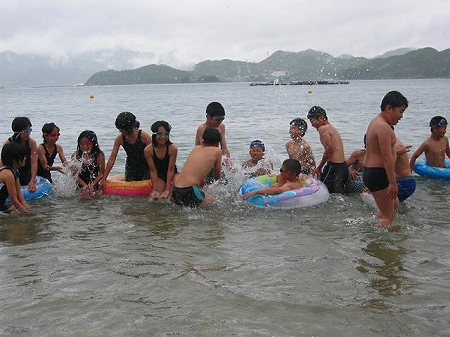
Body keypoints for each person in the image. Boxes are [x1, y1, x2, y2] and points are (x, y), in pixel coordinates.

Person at [363, 90, 408, 227]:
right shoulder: (383, 127)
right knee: (389, 217)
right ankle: (378, 243)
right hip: (378, 173)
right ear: (389, 108)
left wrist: (398, 151)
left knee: (393, 205)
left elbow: (381, 150)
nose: (401, 116)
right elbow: (386, 157)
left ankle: (369, 226)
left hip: (372, 172)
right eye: (400, 111)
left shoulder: (376, 122)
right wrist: (393, 183)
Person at [172, 127, 223, 207]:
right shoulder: (217, 151)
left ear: (203, 140)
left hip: (175, 191)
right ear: (218, 143)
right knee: (215, 205)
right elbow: (217, 176)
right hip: (189, 190)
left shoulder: (196, 148)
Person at [101, 112, 152, 187]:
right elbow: (112, 159)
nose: (121, 131)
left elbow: (153, 155)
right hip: (131, 167)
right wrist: (104, 178)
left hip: (146, 166)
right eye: (120, 129)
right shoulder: (120, 139)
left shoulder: (144, 136)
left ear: (131, 127)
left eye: (123, 129)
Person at [307, 106, 348, 193]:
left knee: (324, 192)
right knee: (339, 195)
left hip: (334, 167)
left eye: (313, 121)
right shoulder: (331, 128)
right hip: (343, 167)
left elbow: (329, 149)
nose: (312, 125)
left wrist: (319, 167)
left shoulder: (323, 128)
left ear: (322, 117)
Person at [144, 120, 179, 200]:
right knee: (157, 196)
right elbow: (153, 171)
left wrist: (167, 189)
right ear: (154, 134)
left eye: (166, 134)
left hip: (172, 173)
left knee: (173, 193)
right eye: (160, 134)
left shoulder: (172, 148)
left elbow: (171, 169)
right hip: (158, 175)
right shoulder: (148, 150)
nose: (163, 137)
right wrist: (155, 190)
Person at [2, 117, 38, 192]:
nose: (28, 133)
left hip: (26, 172)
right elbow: (2, 163)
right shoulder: (8, 144)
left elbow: (34, 162)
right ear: (17, 132)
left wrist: (32, 180)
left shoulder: (32, 143)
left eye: (29, 130)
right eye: (25, 131)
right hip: (13, 173)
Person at [241, 159, 306, 199]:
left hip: (283, 201)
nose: (280, 172)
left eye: (281, 170)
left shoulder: (292, 185)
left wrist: (256, 192)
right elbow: (299, 175)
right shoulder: (290, 178)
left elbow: (277, 191)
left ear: (288, 173)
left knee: (275, 186)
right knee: (275, 185)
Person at [72, 130, 105, 197]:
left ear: (93, 143)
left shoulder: (99, 155)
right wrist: (85, 185)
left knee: (99, 195)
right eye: (82, 144)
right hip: (80, 185)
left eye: (88, 143)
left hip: (94, 184)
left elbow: (101, 174)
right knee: (85, 196)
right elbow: (74, 175)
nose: (85, 146)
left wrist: (92, 185)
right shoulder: (76, 155)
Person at [0, 142, 30, 214]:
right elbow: (14, 200)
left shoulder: (15, 171)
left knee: (20, 209)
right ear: (14, 159)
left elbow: (19, 194)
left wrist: (27, 207)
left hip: (1, 204)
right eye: (23, 156)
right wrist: (27, 214)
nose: (25, 158)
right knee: (17, 213)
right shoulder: (8, 174)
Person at [395, 137, 416, 203]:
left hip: (404, 183)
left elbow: (387, 166)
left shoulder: (395, 146)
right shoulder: (394, 144)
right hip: (406, 181)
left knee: (386, 207)